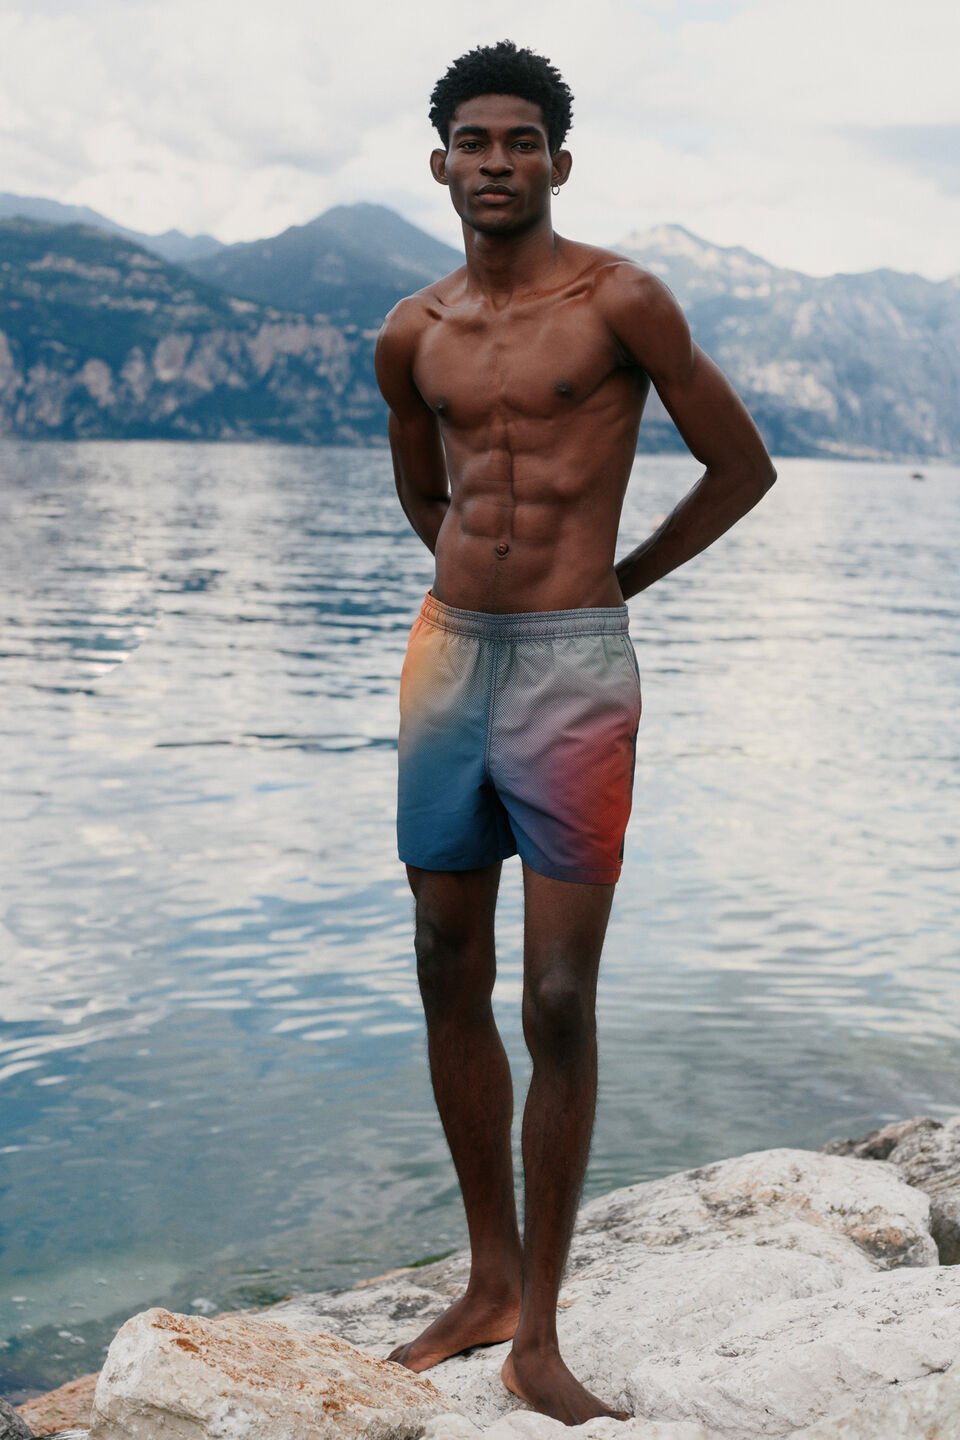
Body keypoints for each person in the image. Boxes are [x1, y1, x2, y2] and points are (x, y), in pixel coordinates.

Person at [374, 39, 776, 1427]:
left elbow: (744, 465)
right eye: (473, 141)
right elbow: (425, 494)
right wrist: (473, 592)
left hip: (574, 666)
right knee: (441, 958)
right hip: (447, 658)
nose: (497, 162)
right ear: (441, 162)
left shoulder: (622, 302)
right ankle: (485, 1281)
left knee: (555, 997)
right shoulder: (411, 330)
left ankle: (540, 1333)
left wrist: (616, 586)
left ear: (558, 159)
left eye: (522, 141)